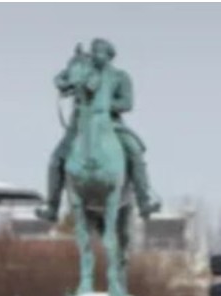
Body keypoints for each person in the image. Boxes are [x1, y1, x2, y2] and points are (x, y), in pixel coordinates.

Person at [37, 38, 161, 222]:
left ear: (110, 56)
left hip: (112, 125)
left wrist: (102, 105)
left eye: (100, 52)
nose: (96, 55)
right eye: (94, 51)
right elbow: (61, 79)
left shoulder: (120, 77)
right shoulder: (84, 72)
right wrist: (67, 81)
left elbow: (127, 103)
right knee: (56, 159)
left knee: (134, 150)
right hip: (79, 126)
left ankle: (144, 200)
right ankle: (52, 206)